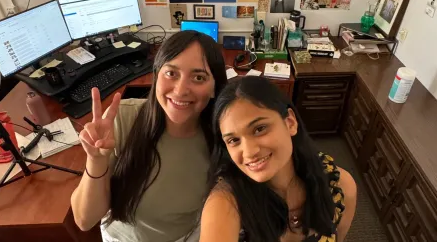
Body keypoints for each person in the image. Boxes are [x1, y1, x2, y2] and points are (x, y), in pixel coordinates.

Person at [71, 30, 227, 242]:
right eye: (171, 73)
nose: (180, 90)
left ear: (214, 89)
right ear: (156, 75)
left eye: (198, 77)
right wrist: (96, 159)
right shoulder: (124, 119)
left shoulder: (222, 136)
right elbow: (84, 219)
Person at [200, 76, 357, 242]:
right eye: (234, 140)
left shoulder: (339, 186)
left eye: (259, 129)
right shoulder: (225, 205)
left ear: (290, 122)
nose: (249, 152)